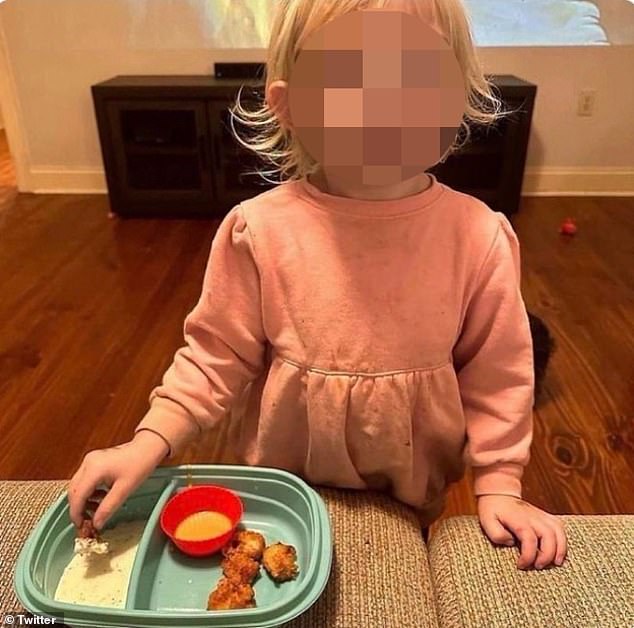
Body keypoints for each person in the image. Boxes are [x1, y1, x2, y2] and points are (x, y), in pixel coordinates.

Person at [70, 0, 567, 571]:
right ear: (288, 105)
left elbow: (498, 373)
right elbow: (214, 357)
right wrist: (147, 441)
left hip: (411, 488)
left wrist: (500, 484)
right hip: (279, 488)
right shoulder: (257, 229)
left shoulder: (479, 235)